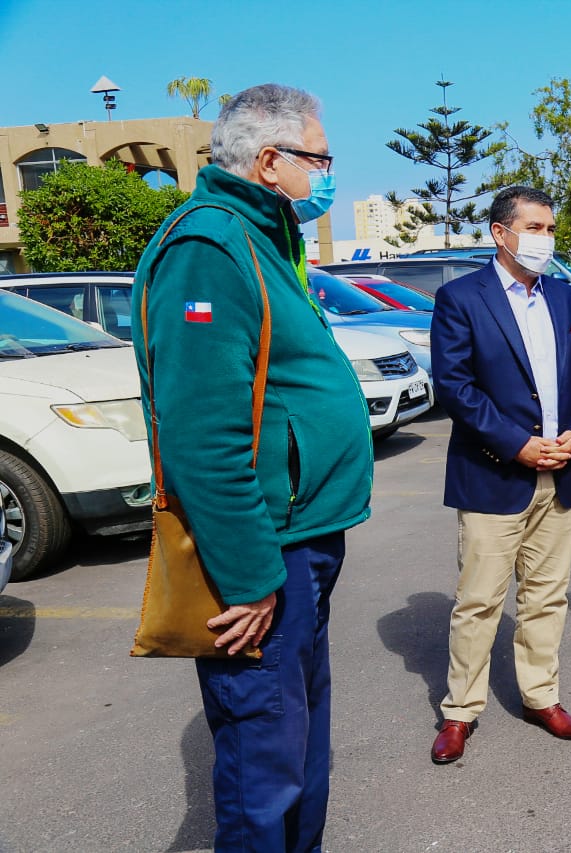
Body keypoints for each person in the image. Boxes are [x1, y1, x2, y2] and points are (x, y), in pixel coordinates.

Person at [132, 84, 373, 852]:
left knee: (301, 755)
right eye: (320, 157)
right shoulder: (210, 246)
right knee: (264, 773)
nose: (328, 173)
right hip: (266, 561)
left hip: (301, 545)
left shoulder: (264, 237)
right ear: (270, 161)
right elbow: (203, 436)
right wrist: (250, 575)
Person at [429, 186, 571, 764]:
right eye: (535, 228)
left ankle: (540, 697)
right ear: (501, 233)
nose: (545, 240)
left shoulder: (564, 297)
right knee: (479, 601)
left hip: (562, 471)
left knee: (546, 597)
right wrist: (519, 446)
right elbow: (457, 388)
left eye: (551, 229)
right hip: (492, 476)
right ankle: (460, 711)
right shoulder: (461, 298)